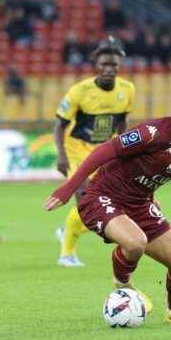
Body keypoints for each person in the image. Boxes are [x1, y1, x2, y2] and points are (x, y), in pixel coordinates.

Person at [44, 83, 171, 326]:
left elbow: (148, 172)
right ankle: (123, 286)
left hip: (138, 203)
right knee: (135, 242)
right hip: (101, 195)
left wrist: (149, 196)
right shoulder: (154, 132)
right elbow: (107, 150)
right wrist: (70, 187)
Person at [54, 36, 134, 268]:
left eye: (113, 65)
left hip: (103, 151)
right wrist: (61, 156)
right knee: (87, 199)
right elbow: (58, 124)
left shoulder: (128, 90)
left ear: (119, 66)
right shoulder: (80, 91)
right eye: (104, 64)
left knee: (102, 204)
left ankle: (69, 229)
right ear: (96, 65)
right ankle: (66, 254)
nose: (109, 69)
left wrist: (124, 149)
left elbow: (122, 121)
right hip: (76, 150)